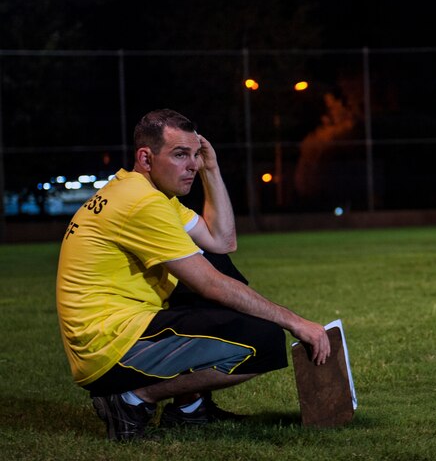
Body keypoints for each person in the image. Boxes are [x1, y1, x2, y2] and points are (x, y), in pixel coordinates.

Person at [56, 109, 331, 441]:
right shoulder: (142, 203)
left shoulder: (145, 192)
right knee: (264, 341)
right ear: (145, 157)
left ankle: (189, 408)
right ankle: (131, 399)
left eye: (196, 155)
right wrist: (295, 321)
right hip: (109, 349)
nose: (194, 164)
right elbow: (209, 284)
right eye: (180, 155)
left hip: (119, 331)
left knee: (218, 263)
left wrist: (212, 170)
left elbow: (223, 241)